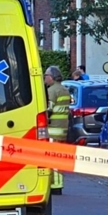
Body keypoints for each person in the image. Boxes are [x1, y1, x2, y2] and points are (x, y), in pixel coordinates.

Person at [44, 66, 71, 194]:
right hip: (63, 129)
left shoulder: (52, 91)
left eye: (46, 76)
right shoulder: (65, 90)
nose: (44, 78)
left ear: (52, 77)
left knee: (52, 158)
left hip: (53, 129)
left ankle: (54, 185)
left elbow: (48, 109)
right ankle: (59, 183)